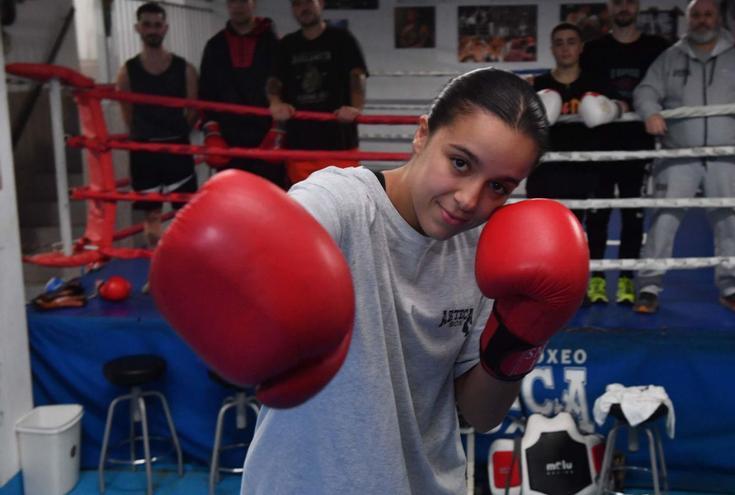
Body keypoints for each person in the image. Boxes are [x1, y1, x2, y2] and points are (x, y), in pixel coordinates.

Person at [149, 68, 590, 494]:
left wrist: (520, 335)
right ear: (422, 135)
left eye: (498, 186)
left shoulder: (485, 250)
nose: (468, 199)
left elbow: (481, 413)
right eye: (459, 163)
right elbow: (271, 234)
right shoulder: (342, 203)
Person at [632, 0, 735, 314]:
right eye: (696, 14)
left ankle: (731, 285)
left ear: (718, 18)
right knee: (664, 222)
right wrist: (650, 111)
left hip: (725, 155)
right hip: (678, 153)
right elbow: (645, 90)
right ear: (688, 19)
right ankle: (649, 287)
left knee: (728, 223)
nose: (702, 20)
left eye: (708, 14)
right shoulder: (670, 57)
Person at [578, 0, 669, 305]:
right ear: (609, 7)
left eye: (629, 2)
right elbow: (574, 83)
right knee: (599, 216)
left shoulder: (657, 48)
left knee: (633, 216)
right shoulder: (594, 49)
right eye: (618, 2)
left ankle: (628, 280)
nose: (624, 7)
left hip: (638, 146)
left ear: (639, 6)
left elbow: (685, 63)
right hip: (600, 146)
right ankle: (598, 279)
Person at [116, 2, 198, 249]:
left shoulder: (185, 69)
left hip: (177, 149)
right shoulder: (127, 72)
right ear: (137, 28)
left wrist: (173, 132)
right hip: (144, 151)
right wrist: (148, 136)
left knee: (185, 214)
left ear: (166, 28)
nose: (153, 30)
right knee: (151, 216)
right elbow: (128, 115)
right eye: (147, 24)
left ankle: (183, 267)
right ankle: (156, 267)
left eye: (157, 25)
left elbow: (193, 111)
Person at [526, 23, 601, 272]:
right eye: (559, 42)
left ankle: (573, 285)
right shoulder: (537, 85)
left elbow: (618, 109)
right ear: (552, 49)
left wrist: (612, 108)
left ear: (580, 48)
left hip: (583, 171)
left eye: (571, 42)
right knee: (543, 232)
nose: (565, 48)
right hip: (545, 172)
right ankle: (544, 284)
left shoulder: (594, 84)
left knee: (577, 233)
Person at [267, 0, 368, 185]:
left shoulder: (342, 38)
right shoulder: (287, 44)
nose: (303, 8)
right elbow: (274, 80)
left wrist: (355, 108)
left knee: (345, 203)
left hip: (339, 144)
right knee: (305, 207)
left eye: (308, 2)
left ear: (320, 3)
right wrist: (275, 102)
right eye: (297, 4)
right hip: (300, 145)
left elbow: (357, 75)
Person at [198, 0, 287, 189]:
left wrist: (279, 129)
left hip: (266, 137)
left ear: (254, 4)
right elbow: (205, 93)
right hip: (229, 143)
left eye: (243, 1)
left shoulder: (275, 44)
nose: (237, 6)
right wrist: (212, 133)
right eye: (232, 2)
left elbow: (285, 89)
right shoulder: (215, 45)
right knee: (233, 203)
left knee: (269, 201)